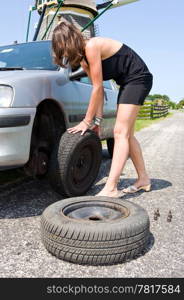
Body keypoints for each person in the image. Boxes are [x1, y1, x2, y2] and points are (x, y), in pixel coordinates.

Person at [52, 21, 153, 198]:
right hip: (127, 82)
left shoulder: (92, 46)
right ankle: (143, 179)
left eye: (64, 49)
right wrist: (97, 122)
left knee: (119, 132)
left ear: (69, 41)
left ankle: (111, 187)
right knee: (126, 134)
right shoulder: (84, 61)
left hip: (138, 78)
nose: (65, 55)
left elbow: (98, 88)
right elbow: (97, 92)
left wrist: (86, 121)